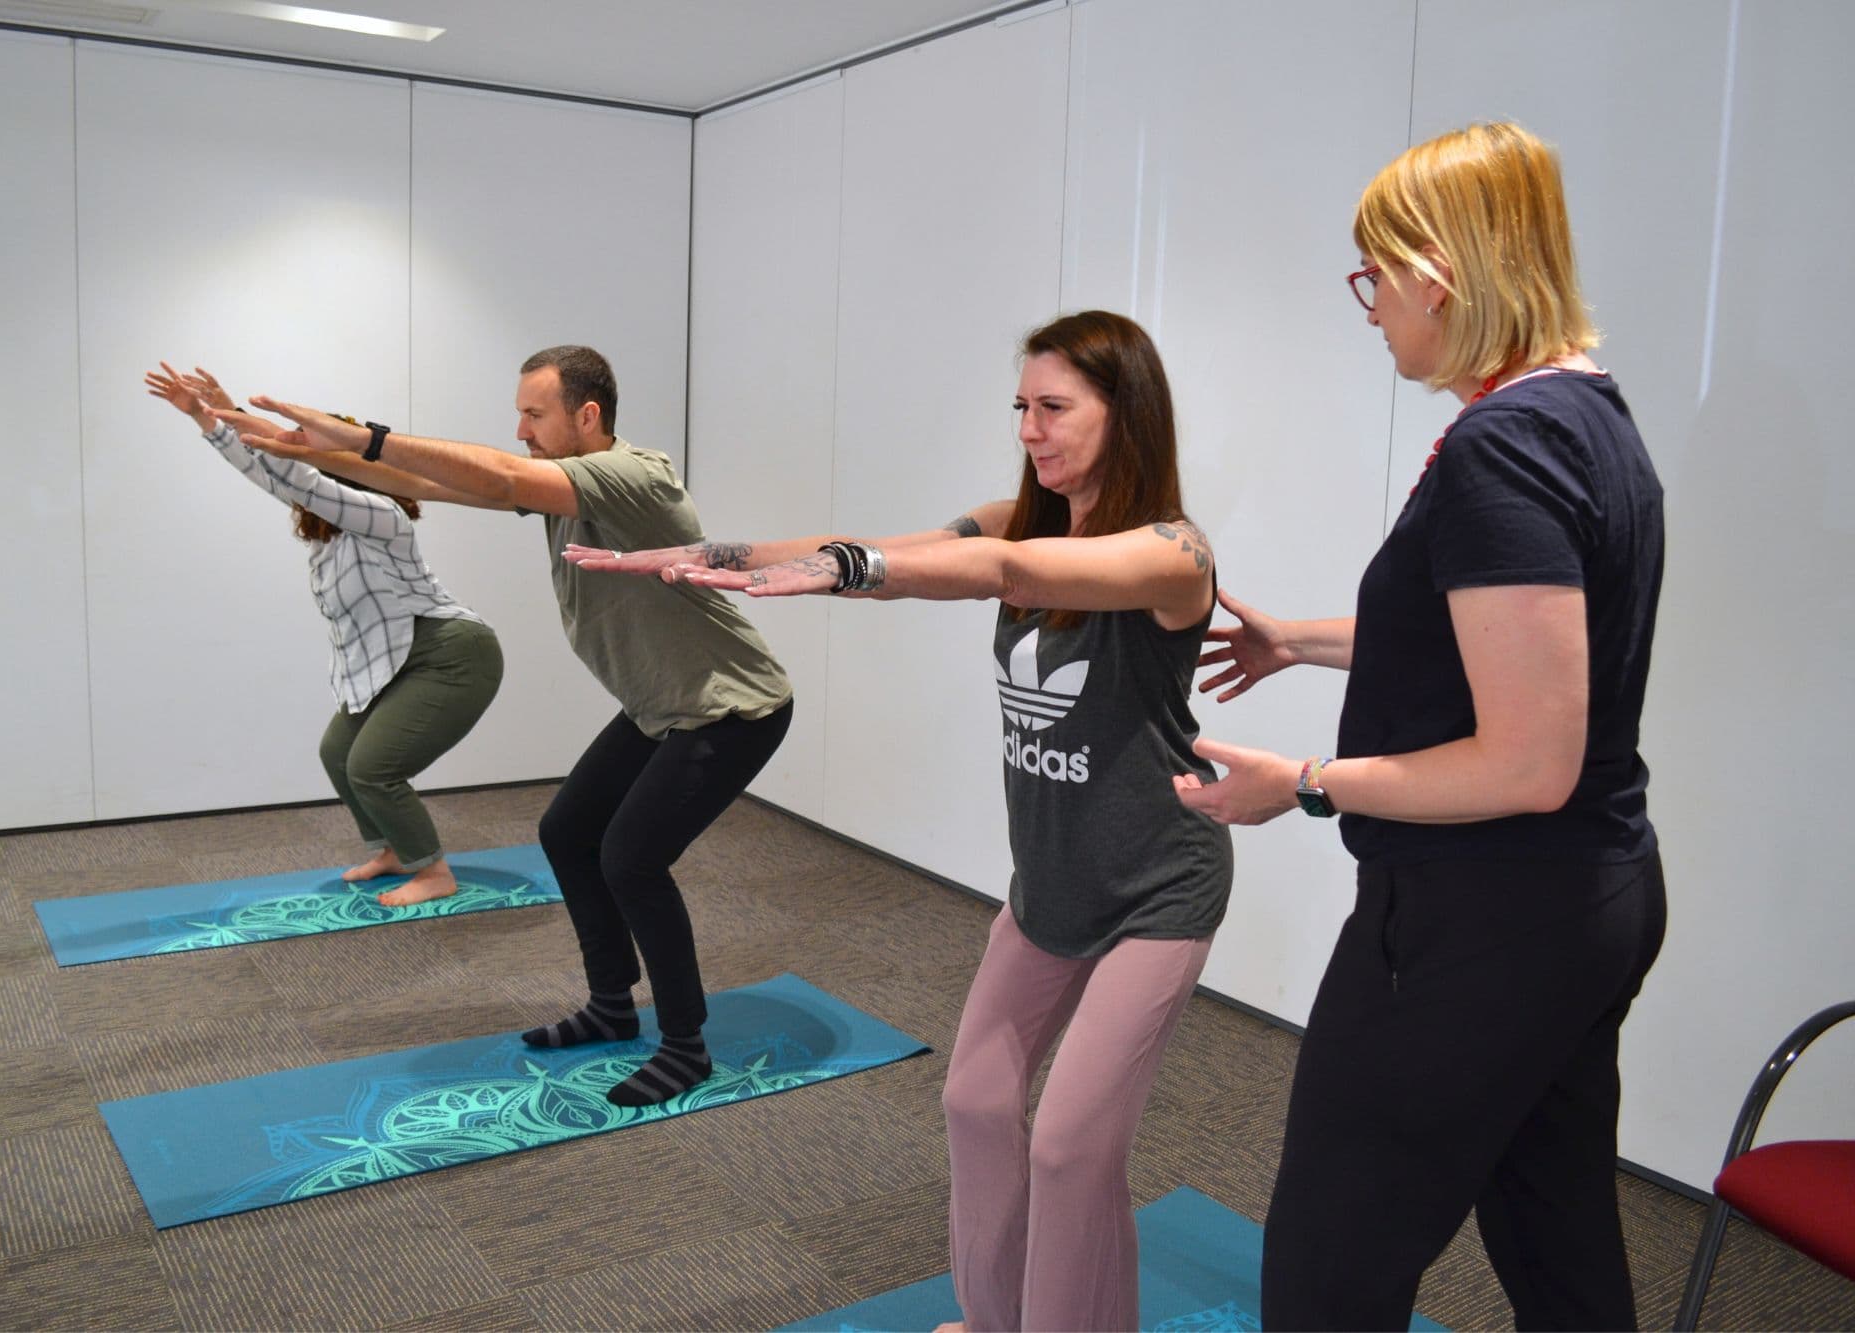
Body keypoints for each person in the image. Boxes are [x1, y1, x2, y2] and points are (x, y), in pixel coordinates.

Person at [571, 311, 1234, 1332]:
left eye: (1054, 408)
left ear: (1125, 412)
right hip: (1047, 886)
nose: (1030, 428)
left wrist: (848, 571)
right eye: (1021, 406)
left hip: (1156, 888)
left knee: (1069, 1146)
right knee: (974, 1102)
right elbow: (904, 546)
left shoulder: (1169, 552)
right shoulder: (1019, 517)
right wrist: (712, 551)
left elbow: (1001, 573)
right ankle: (991, 1314)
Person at [1174, 122, 1667, 1331]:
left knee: (1328, 1267)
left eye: (1373, 277)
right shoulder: (1582, 414)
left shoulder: (1505, 444)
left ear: (1437, 274)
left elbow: (1525, 760)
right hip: (1578, 900)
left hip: (1477, 922)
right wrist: (1300, 636)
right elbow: (1495, 640)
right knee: (1551, 1227)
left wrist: (1298, 782)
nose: (1369, 307)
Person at [219, 346, 793, 1108]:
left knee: (631, 859)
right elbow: (432, 482)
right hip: (663, 707)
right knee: (567, 832)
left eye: (534, 413)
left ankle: (685, 1044)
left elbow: (495, 474)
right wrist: (322, 454)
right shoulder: (564, 488)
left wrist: (364, 437)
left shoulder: (635, 477)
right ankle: (613, 1006)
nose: (520, 428)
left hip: (733, 706)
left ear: (587, 416)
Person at [144, 363, 503, 908]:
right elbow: (279, 478)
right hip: (397, 659)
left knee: (374, 767)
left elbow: (293, 476)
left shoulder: (383, 516)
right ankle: (391, 850)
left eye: (316, 450)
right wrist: (214, 416)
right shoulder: (330, 543)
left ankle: (432, 871)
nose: (305, 457)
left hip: (451, 655)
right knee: (338, 753)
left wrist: (222, 419)